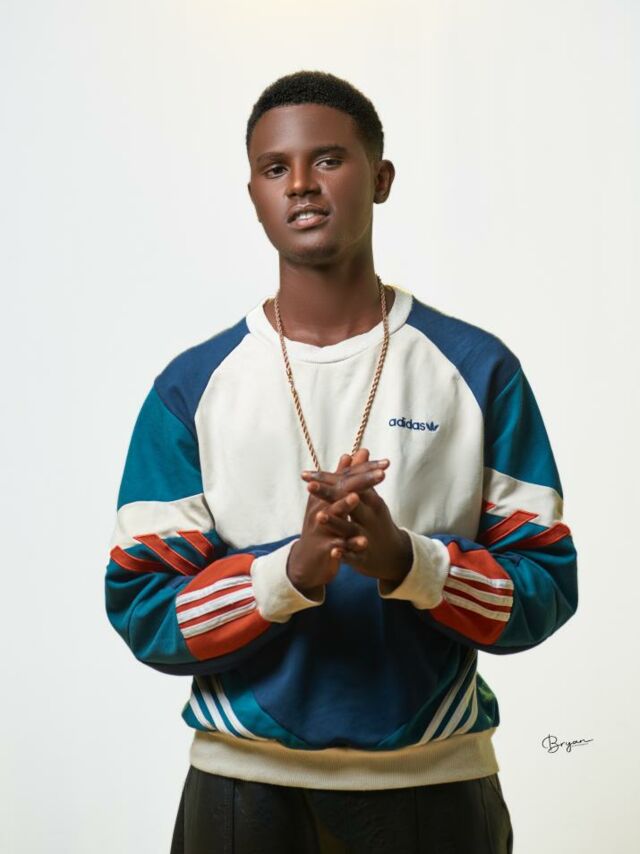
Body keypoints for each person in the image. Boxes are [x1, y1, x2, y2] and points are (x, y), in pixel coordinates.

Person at [105, 70, 578, 853]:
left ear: (381, 178)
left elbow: (547, 586)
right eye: (275, 168)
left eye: (328, 159)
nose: (300, 184)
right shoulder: (192, 387)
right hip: (241, 792)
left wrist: (409, 562)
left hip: (434, 787)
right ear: (254, 195)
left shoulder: (477, 369)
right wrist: (289, 571)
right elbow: (143, 606)